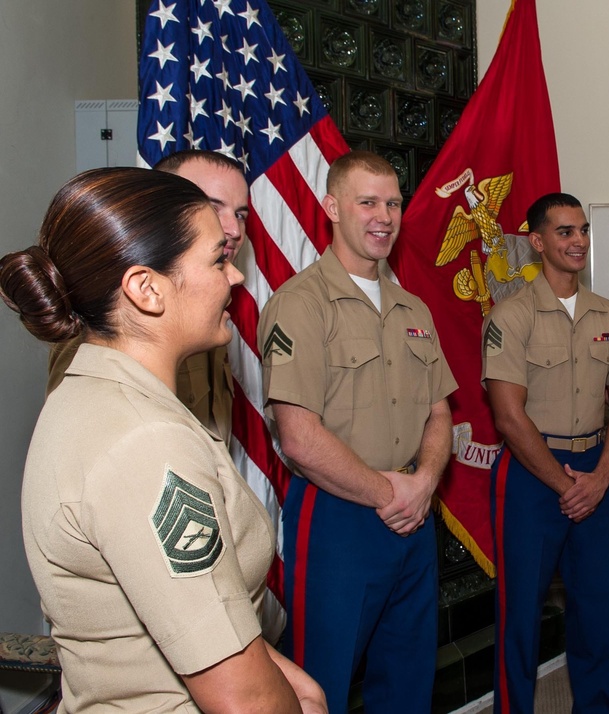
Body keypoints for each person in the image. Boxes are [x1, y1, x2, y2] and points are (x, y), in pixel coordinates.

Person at [0, 167, 326, 712]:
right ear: (147, 289)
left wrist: (298, 686)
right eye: (217, 260)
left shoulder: (103, 392)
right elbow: (239, 698)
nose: (236, 277)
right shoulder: (144, 442)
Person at [257, 150, 457, 713]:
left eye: (393, 203)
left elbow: (440, 413)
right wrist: (391, 493)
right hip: (337, 519)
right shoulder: (300, 305)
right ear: (332, 207)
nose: (384, 216)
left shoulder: (413, 307)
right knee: (320, 683)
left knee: (408, 676)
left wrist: (424, 484)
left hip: (413, 517)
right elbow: (298, 436)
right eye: (367, 201)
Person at [482, 192, 609, 713]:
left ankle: (595, 704)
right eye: (565, 232)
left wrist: (599, 478)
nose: (578, 242)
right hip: (532, 475)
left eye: (582, 231)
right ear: (537, 241)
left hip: (597, 468)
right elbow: (508, 415)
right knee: (522, 609)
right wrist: (565, 484)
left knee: (598, 604)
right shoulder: (512, 315)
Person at [46, 150, 249, 446]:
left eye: (240, 214)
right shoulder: (104, 321)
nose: (233, 229)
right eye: (211, 205)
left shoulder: (203, 316)